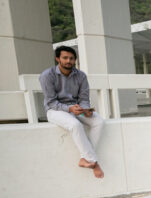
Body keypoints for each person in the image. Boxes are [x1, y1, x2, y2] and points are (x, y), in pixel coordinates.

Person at [39, 46, 105, 178]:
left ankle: (84, 158)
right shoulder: (47, 76)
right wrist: (69, 109)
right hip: (55, 110)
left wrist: (86, 109)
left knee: (98, 121)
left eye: (71, 58)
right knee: (75, 125)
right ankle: (94, 162)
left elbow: (84, 98)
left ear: (75, 60)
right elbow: (51, 102)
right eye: (65, 58)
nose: (68, 61)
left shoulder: (81, 76)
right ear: (57, 58)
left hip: (76, 108)